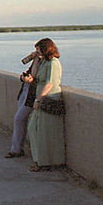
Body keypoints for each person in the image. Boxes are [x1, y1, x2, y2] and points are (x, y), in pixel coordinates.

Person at [27, 38, 65, 171]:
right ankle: (38, 160)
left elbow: (50, 83)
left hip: (49, 98)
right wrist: (36, 60)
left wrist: (38, 100)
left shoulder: (53, 63)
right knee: (33, 128)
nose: (36, 51)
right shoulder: (44, 62)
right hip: (41, 97)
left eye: (38, 49)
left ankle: (44, 162)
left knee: (44, 132)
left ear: (46, 48)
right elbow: (34, 75)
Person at [5, 45, 42, 158]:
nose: (36, 52)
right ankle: (17, 148)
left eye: (38, 49)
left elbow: (36, 77)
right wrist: (23, 78)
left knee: (19, 118)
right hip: (25, 92)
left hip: (32, 94)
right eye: (36, 49)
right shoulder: (36, 61)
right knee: (20, 120)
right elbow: (27, 72)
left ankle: (16, 150)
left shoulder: (45, 62)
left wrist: (36, 60)